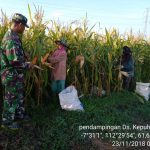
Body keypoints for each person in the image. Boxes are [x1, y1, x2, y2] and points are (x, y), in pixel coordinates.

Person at [0, 13, 33, 129]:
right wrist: (28, 65)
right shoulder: (11, 39)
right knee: (10, 98)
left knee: (18, 95)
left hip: (16, 74)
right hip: (10, 74)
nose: (24, 29)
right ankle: (7, 121)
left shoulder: (14, 37)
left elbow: (17, 56)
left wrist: (24, 57)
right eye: (24, 26)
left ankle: (19, 115)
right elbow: (14, 62)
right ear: (19, 24)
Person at [47, 39, 68, 103]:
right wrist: (50, 56)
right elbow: (52, 57)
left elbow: (54, 60)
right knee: (54, 88)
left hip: (60, 73)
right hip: (55, 71)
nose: (59, 45)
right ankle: (54, 101)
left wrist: (48, 57)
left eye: (60, 44)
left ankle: (61, 103)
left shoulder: (63, 53)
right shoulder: (56, 51)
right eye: (58, 44)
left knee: (61, 88)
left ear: (63, 46)